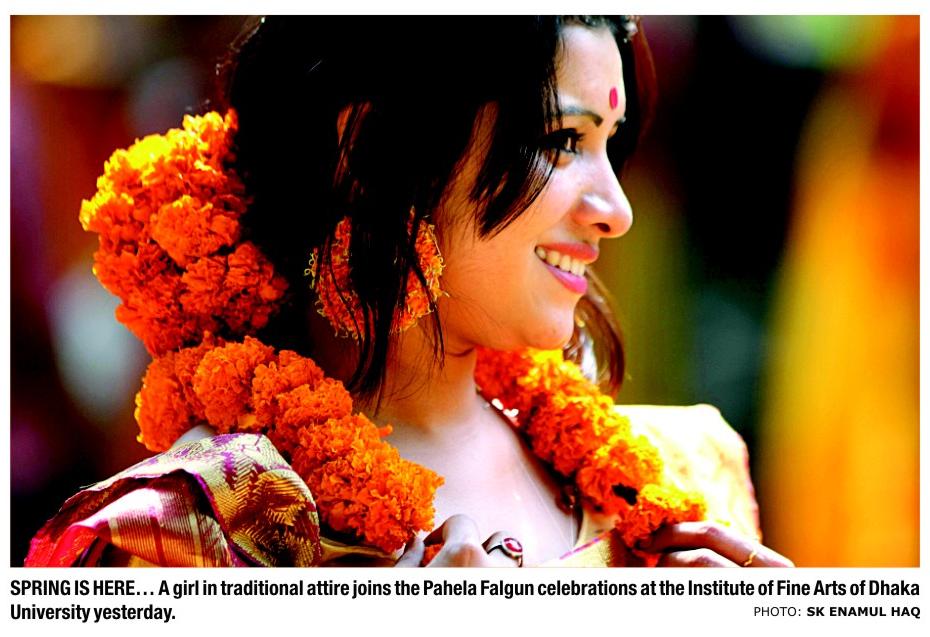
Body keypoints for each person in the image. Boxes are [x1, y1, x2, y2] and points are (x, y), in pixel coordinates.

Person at [26, 16, 792, 568]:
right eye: (562, 141)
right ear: (370, 154)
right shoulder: (195, 529)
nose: (617, 211)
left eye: (609, 145)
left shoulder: (685, 480)